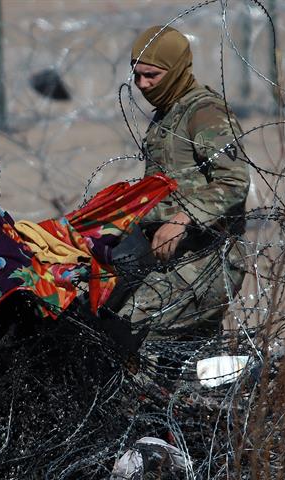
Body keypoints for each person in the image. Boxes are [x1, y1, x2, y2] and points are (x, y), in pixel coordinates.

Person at [118, 25, 248, 343]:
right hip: (172, 260)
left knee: (127, 332)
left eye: (152, 75)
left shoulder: (205, 113)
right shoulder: (167, 113)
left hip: (207, 260)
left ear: (176, 70)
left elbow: (234, 180)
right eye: (137, 75)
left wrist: (181, 218)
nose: (142, 85)